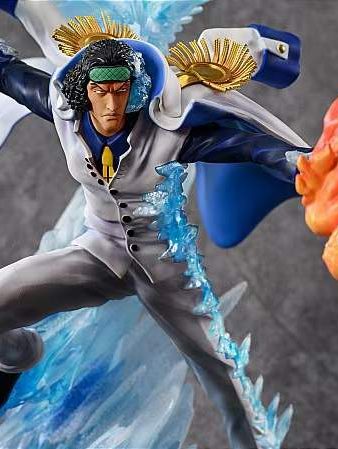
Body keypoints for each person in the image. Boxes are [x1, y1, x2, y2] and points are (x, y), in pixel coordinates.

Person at [0, 12, 309, 449]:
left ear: (135, 92)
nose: (110, 105)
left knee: (221, 373)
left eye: (120, 92)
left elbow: (247, 146)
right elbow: (12, 75)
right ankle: (17, 355)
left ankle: (255, 444)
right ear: (85, 92)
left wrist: (298, 163)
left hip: (165, 265)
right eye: (100, 92)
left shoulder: (166, 130)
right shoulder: (68, 114)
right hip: (97, 252)